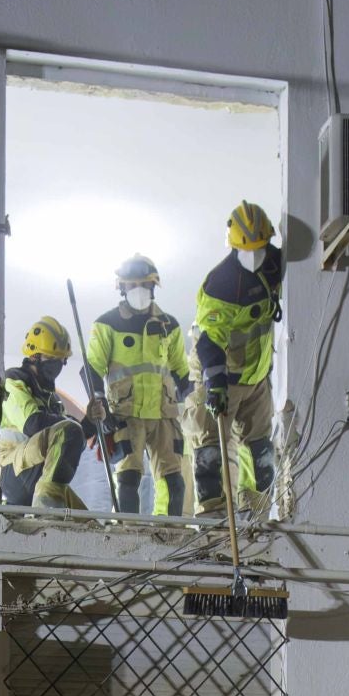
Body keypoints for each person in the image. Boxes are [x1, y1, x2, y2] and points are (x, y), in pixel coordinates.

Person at [187, 201, 283, 514]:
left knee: (260, 455)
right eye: (247, 251)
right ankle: (212, 522)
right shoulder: (222, 283)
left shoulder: (272, 266)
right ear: (233, 247)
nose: (254, 256)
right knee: (210, 455)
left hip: (256, 378)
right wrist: (215, 382)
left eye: (260, 248)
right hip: (223, 378)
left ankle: (255, 516)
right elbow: (209, 340)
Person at [85, 255, 191, 516]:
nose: (139, 291)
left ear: (153, 287)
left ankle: (169, 533)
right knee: (128, 478)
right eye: (132, 286)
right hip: (125, 415)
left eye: (144, 285)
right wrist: (100, 404)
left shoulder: (170, 325)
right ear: (122, 288)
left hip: (163, 416)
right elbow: (91, 368)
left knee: (174, 482)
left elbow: (181, 371)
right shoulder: (107, 324)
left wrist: (197, 399)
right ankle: (128, 533)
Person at [0, 319, 101, 510]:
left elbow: (71, 437)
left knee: (87, 523)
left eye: (61, 360)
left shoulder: (52, 399)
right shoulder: (13, 382)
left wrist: (90, 421)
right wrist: (71, 424)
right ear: (34, 355)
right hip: (13, 471)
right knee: (68, 429)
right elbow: (33, 423)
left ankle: (48, 503)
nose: (58, 365)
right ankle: (46, 506)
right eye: (52, 359)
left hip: (40, 474)